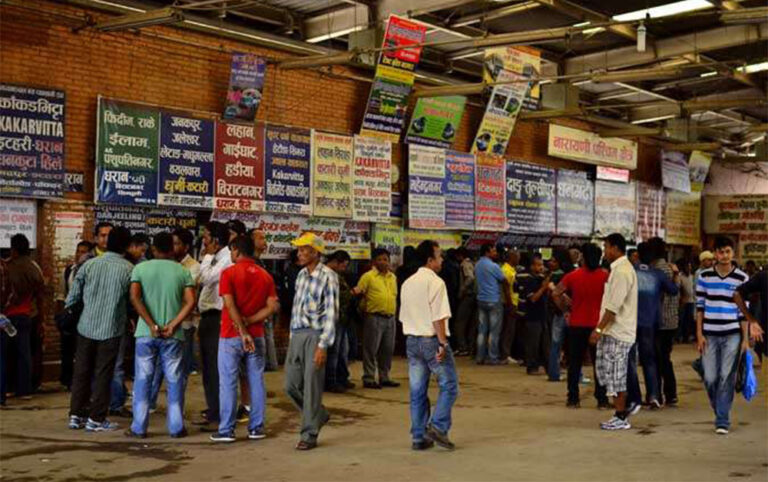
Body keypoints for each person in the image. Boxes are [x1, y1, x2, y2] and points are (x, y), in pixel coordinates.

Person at [125, 233, 195, 438]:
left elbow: (134, 297)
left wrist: (151, 324)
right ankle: (176, 427)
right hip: (173, 335)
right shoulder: (182, 271)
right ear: (172, 249)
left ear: (153, 249)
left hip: (145, 333)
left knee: (142, 379)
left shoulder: (140, 269)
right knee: (174, 381)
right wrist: (173, 324)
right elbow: (190, 302)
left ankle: (139, 427)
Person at [209, 235, 279, 443]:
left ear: (237, 250)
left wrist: (241, 329)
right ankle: (256, 428)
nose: (231, 254)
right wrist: (250, 322)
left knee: (228, 382)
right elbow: (272, 307)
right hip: (257, 335)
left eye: (231, 250)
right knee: (256, 380)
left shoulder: (229, 273)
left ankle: (226, 430)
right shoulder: (265, 275)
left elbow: (229, 305)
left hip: (231, 335)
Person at [66, 227, 134, 432]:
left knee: (81, 372)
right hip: (111, 328)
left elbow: (72, 297)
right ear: (126, 246)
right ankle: (96, 419)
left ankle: (76, 415)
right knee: (104, 373)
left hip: (85, 326)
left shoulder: (89, 265)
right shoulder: (128, 269)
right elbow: (132, 300)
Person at [400, 240, 457, 451]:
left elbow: (403, 315)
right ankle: (438, 426)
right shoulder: (436, 283)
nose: (442, 260)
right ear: (430, 260)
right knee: (449, 385)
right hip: (431, 340)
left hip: (412, 340)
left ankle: (418, 436)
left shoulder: (407, 283)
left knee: (417, 390)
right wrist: (442, 343)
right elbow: (438, 317)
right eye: (439, 256)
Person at [284, 233, 339, 450]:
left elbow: (332, 314)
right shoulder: (300, 275)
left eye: (303, 250)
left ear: (315, 252)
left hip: (316, 335)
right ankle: (319, 414)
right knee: (290, 385)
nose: (299, 254)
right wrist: (291, 337)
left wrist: (323, 345)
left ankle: (309, 434)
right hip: (297, 334)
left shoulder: (329, 276)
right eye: (298, 250)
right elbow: (296, 308)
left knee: (312, 386)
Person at [695, 236, 749, 434]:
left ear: (733, 253)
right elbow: (700, 308)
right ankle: (720, 407)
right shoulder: (704, 277)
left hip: (732, 335)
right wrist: (699, 334)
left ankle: (722, 420)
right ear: (715, 254)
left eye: (727, 251)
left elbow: (743, 311)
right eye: (720, 252)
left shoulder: (742, 278)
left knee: (726, 376)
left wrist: (745, 339)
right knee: (710, 378)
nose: (724, 255)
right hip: (709, 334)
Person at [552, 243, 609, 408]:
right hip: (598, 326)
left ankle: (573, 398)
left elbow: (555, 293)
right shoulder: (606, 276)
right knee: (599, 364)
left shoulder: (573, 276)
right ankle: (602, 399)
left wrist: (565, 310)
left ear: (583, 257)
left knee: (575, 363)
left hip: (576, 324)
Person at [590, 233, 638, 431]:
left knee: (617, 376)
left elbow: (613, 307)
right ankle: (621, 412)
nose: (604, 252)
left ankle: (621, 415)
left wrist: (598, 329)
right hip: (615, 331)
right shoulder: (619, 269)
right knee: (611, 374)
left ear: (615, 248)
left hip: (618, 332)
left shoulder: (622, 272)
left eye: (606, 247)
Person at [626, 243, 678, 413]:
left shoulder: (630, 272)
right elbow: (673, 290)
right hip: (650, 323)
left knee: (630, 361)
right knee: (649, 360)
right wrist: (675, 274)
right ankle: (654, 395)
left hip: (630, 322)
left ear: (637, 255)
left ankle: (633, 397)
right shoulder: (657, 274)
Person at [194, 222, 233, 431]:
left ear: (216, 241)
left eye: (206, 238)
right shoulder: (217, 258)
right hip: (208, 317)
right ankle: (213, 410)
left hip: (218, 317)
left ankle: (219, 414)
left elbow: (205, 278)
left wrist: (207, 256)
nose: (204, 242)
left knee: (216, 369)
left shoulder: (225, 260)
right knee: (208, 368)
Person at [0, 234, 45, 401]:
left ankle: (7, 388)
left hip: (7, 316)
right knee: (24, 353)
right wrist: (41, 319)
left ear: (14, 249)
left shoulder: (8, 267)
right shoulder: (34, 267)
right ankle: (25, 390)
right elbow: (40, 295)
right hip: (27, 315)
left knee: (6, 354)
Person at [353, 248, 399, 389]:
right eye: (379, 259)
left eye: (385, 259)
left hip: (390, 318)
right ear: (374, 261)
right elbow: (358, 294)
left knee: (388, 349)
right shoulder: (368, 277)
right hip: (373, 317)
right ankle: (369, 378)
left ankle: (385, 377)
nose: (383, 262)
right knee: (371, 349)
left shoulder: (393, 277)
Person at [648, 237, 681, 406]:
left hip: (658, 321)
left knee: (657, 359)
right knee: (665, 358)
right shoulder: (672, 269)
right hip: (671, 320)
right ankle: (670, 394)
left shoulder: (656, 270)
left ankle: (659, 394)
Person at [55, 241, 92, 390]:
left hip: (86, 315)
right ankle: (67, 379)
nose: (79, 255)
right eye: (78, 251)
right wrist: (60, 315)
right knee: (67, 348)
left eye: (83, 252)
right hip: (70, 314)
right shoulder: (69, 271)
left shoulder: (92, 271)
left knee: (82, 350)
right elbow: (61, 295)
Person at [515, 253, 551, 375]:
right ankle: (531, 367)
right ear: (532, 266)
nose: (541, 268)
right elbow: (533, 298)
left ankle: (547, 366)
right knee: (533, 343)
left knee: (544, 342)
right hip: (532, 316)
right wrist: (543, 288)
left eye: (542, 265)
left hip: (542, 315)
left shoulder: (540, 278)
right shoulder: (529, 280)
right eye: (538, 265)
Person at [325, 250, 354, 393]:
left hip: (342, 318)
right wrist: (352, 293)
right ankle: (331, 381)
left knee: (343, 350)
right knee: (334, 351)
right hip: (332, 319)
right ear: (336, 262)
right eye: (343, 265)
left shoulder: (337, 276)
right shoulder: (326, 275)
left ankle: (342, 378)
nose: (344, 268)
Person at [173, 228, 201, 378]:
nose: (173, 247)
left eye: (177, 243)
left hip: (186, 318)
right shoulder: (170, 263)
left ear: (186, 247)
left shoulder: (194, 266)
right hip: (170, 317)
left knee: (185, 355)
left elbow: (185, 290)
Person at [474, 244, 508, 365]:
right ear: (487, 252)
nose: (495, 253)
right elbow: (504, 279)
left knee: (482, 330)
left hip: (481, 300)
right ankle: (492, 357)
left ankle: (480, 357)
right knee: (494, 331)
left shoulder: (477, 265)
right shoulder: (494, 266)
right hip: (493, 300)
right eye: (493, 251)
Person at [250, 229, 279, 372]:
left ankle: (269, 364)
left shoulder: (261, 262)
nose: (264, 242)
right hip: (257, 307)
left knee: (267, 335)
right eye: (260, 238)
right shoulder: (251, 262)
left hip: (265, 306)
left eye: (264, 238)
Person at [546, 250, 571, 381]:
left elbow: (554, 293)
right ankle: (576, 374)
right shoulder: (569, 274)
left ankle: (553, 373)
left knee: (555, 344)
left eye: (554, 261)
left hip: (558, 313)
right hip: (569, 313)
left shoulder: (554, 276)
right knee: (572, 346)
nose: (551, 263)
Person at [733, 269, 766, 363]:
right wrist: (751, 320)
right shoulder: (764, 276)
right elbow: (737, 294)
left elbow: (737, 294)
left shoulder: (763, 276)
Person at [453, 248, 476, 356]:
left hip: (467, 296)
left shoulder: (464, 264)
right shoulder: (473, 263)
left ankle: (462, 347)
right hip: (473, 296)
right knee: (471, 323)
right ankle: (470, 346)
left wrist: (462, 289)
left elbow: (470, 278)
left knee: (460, 322)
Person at [500, 249, 520, 364]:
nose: (519, 259)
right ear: (511, 257)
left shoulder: (512, 269)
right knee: (508, 329)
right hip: (510, 303)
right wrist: (510, 304)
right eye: (517, 256)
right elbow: (506, 289)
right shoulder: (506, 270)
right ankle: (505, 354)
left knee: (511, 329)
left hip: (514, 302)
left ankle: (507, 353)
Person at [677, 259, 696, 343]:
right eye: (687, 266)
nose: (689, 268)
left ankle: (687, 337)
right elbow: (678, 288)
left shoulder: (692, 276)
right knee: (681, 319)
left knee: (689, 319)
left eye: (690, 266)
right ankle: (679, 336)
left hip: (691, 301)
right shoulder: (680, 276)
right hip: (683, 302)